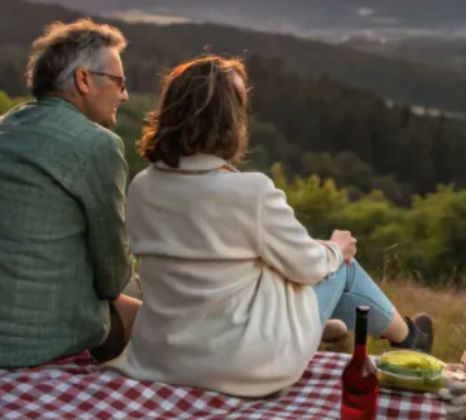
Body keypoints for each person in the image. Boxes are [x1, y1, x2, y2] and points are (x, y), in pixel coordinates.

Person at [108, 55, 433, 398]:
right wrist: (336, 248)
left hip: (164, 357)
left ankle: (328, 327)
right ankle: (411, 338)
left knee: (284, 260)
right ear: (229, 120)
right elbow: (307, 267)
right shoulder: (251, 192)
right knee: (339, 266)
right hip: (243, 364)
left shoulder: (143, 186)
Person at [0, 19, 141, 369]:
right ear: (84, 80)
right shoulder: (98, 144)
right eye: (120, 82)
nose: (125, 95)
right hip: (27, 346)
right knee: (152, 313)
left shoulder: (1, 126)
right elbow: (113, 276)